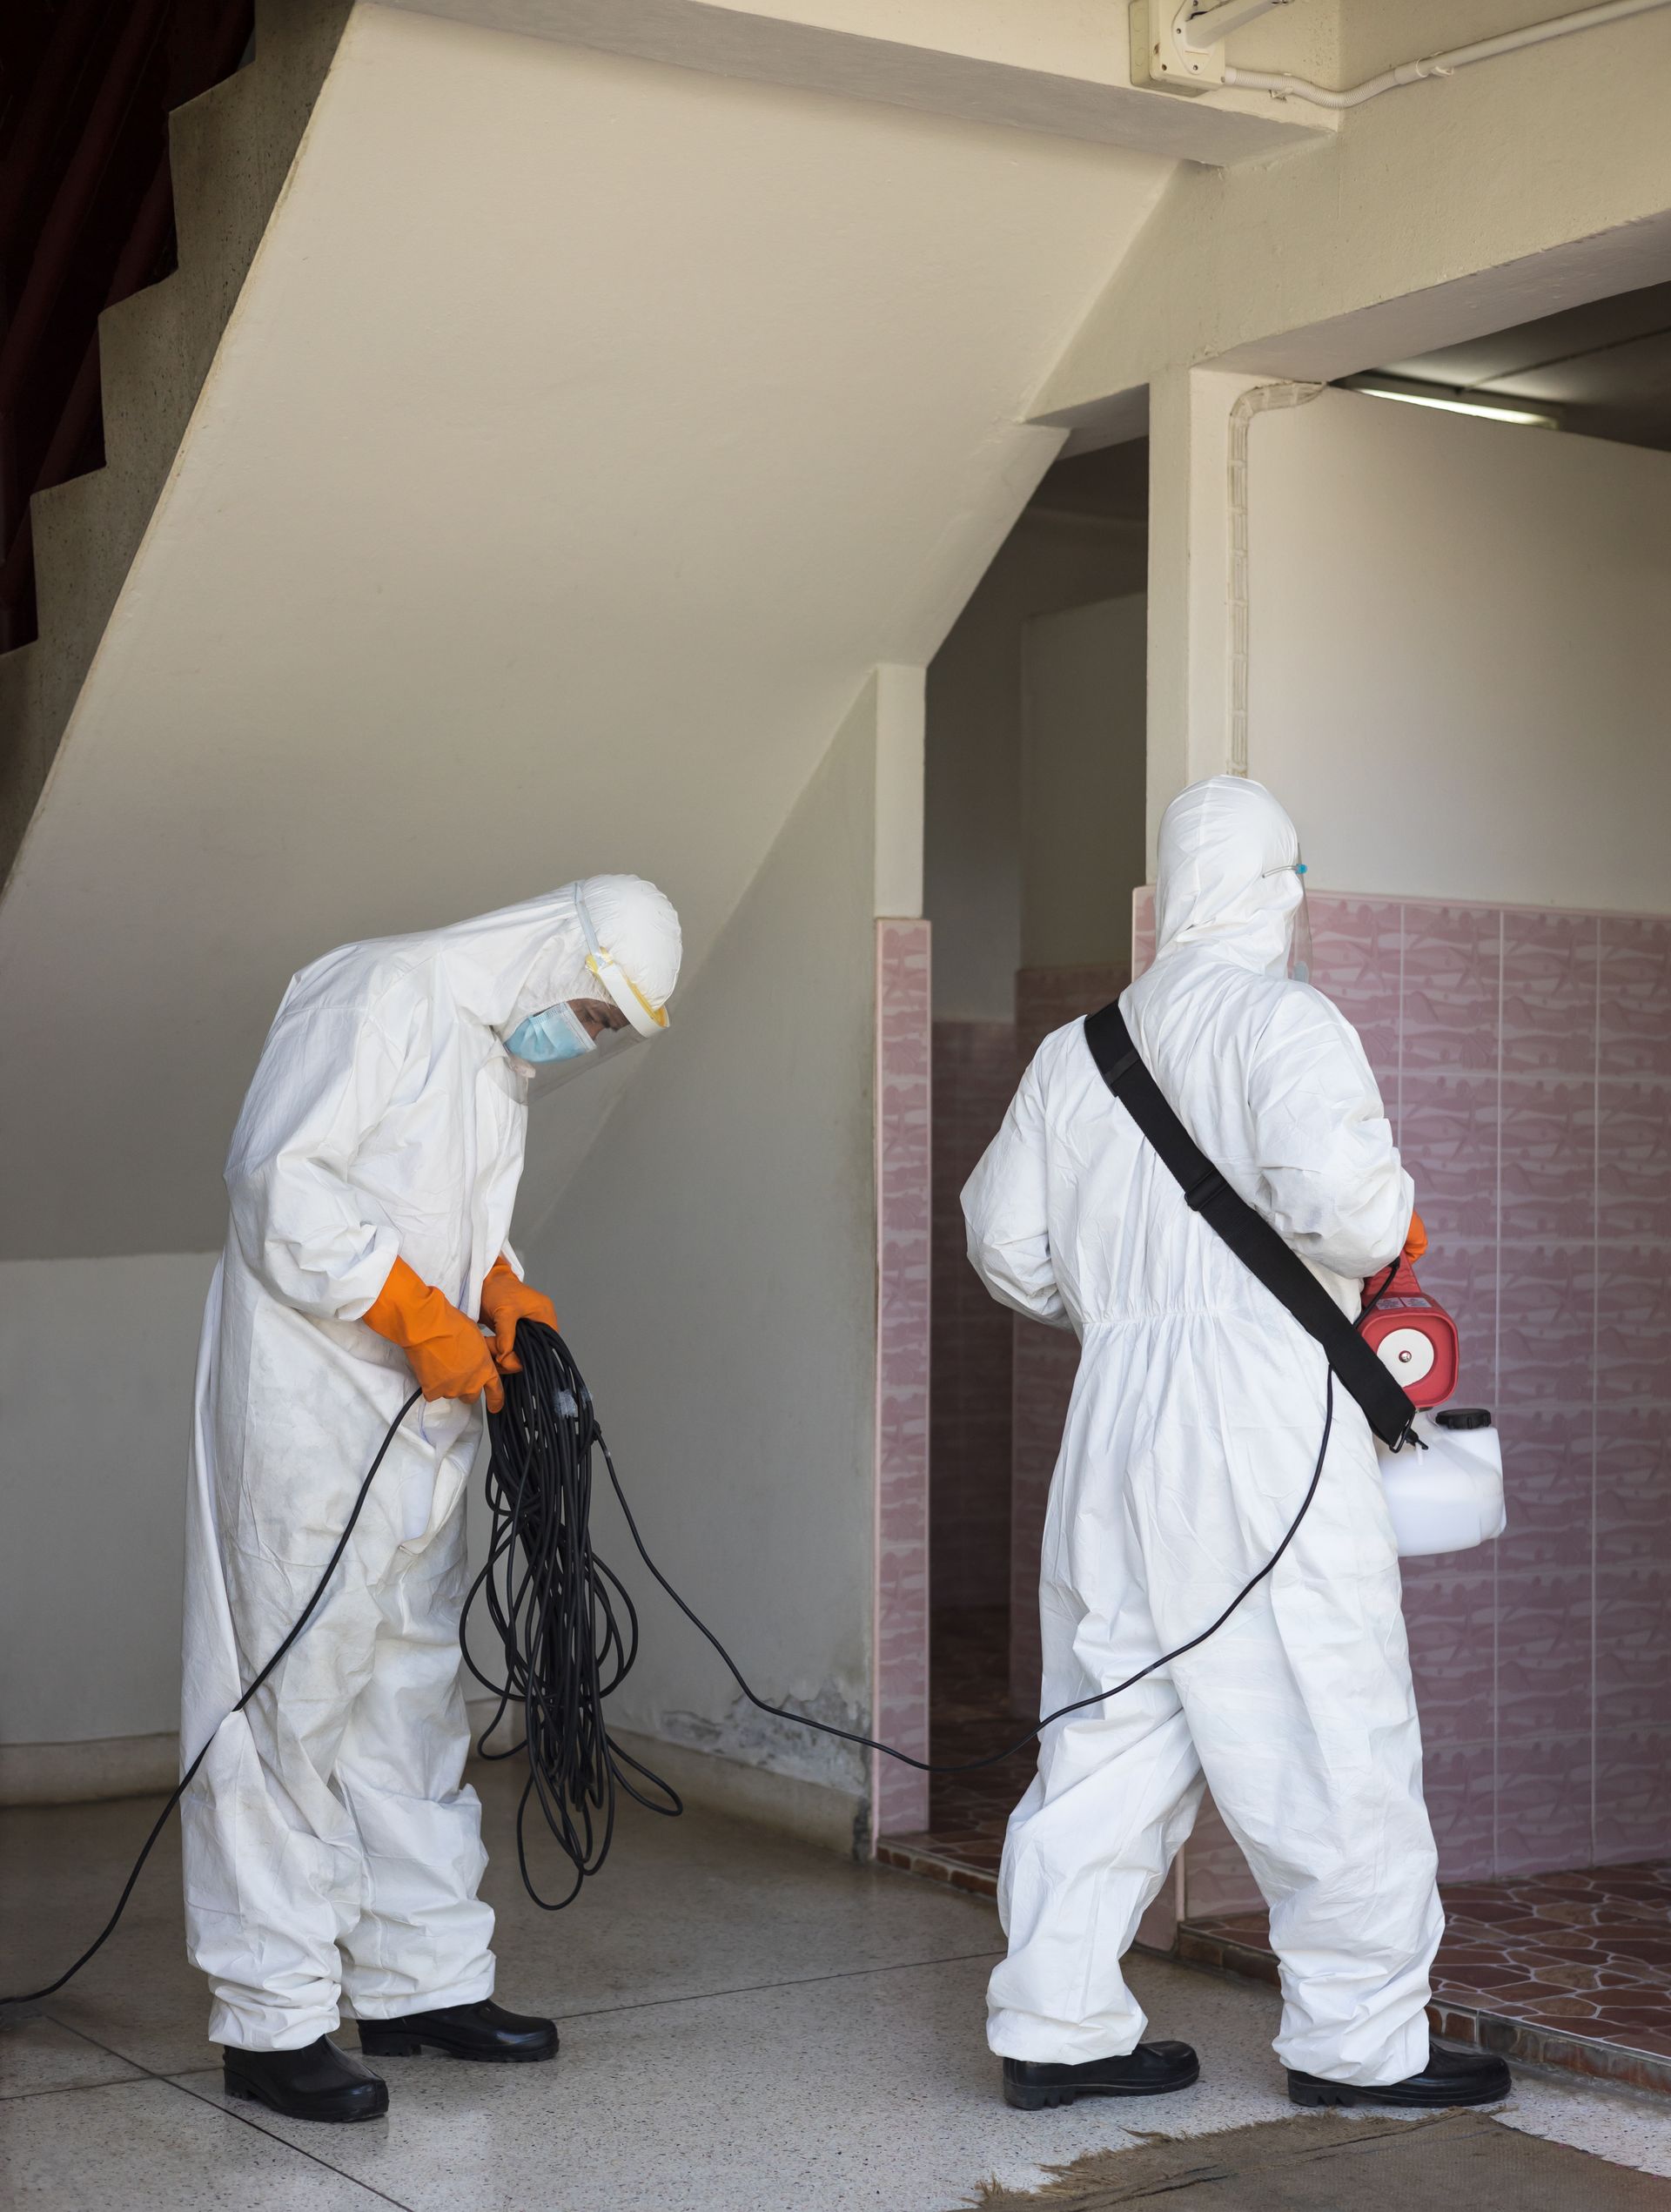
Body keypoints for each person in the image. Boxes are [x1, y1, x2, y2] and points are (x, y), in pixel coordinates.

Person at [963, 777, 1508, 2115]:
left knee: (1110, 1717)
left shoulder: (1073, 1051)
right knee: (1326, 1722)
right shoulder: (1288, 1019)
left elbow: (1001, 1239)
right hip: (1263, 1415)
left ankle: (1058, 2023)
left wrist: (1123, 1308)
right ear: (1277, 885)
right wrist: (1381, 1233)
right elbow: (1348, 1211)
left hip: (1117, 1416)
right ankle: (1362, 2045)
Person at [180, 875, 681, 2122]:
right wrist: (410, 1308)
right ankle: (273, 2014)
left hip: (422, 1421)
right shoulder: (378, 994)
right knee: (286, 1707)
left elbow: (440, 1205)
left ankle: (421, 1983)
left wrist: (503, 1282)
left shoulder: (495, 1056)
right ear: (555, 951)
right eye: (592, 1008)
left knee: (410, 1698)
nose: (585, 1036)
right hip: (310, 1410)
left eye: (609, 1026)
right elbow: (277, 1181)